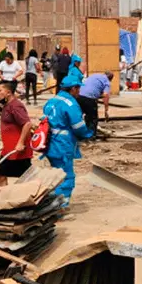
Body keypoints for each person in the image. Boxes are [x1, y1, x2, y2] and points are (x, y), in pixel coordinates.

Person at [41, 73, 93, 206]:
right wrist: (88, 133)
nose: (79, 92)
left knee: (55, 175)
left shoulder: (52, 101)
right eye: (78, 88)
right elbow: (78, 126)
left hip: (50, 144)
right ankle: (59, 206)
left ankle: (52, 202)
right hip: (63, 145)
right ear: (73, 88)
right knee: (66, 177)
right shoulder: (70, 103)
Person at [0, 81, 34, 186]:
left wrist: (20, 143)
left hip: (18, 151)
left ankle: (34, 197)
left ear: (8, 92)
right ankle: (4, 199)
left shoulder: (15, 106)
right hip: (8, 149)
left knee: (26, 178)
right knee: (1, 175)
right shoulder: (7, 106)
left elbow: (27, 124)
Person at [78, 70, 111, 136]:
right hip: (90, 98)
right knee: (93, 118)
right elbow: (105, 95)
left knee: (79, 116)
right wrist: (106, 110)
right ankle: (91, 136)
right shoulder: (107, 82)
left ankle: (79, 133)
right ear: (110, 79)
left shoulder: (94, 75)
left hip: (79, 96)